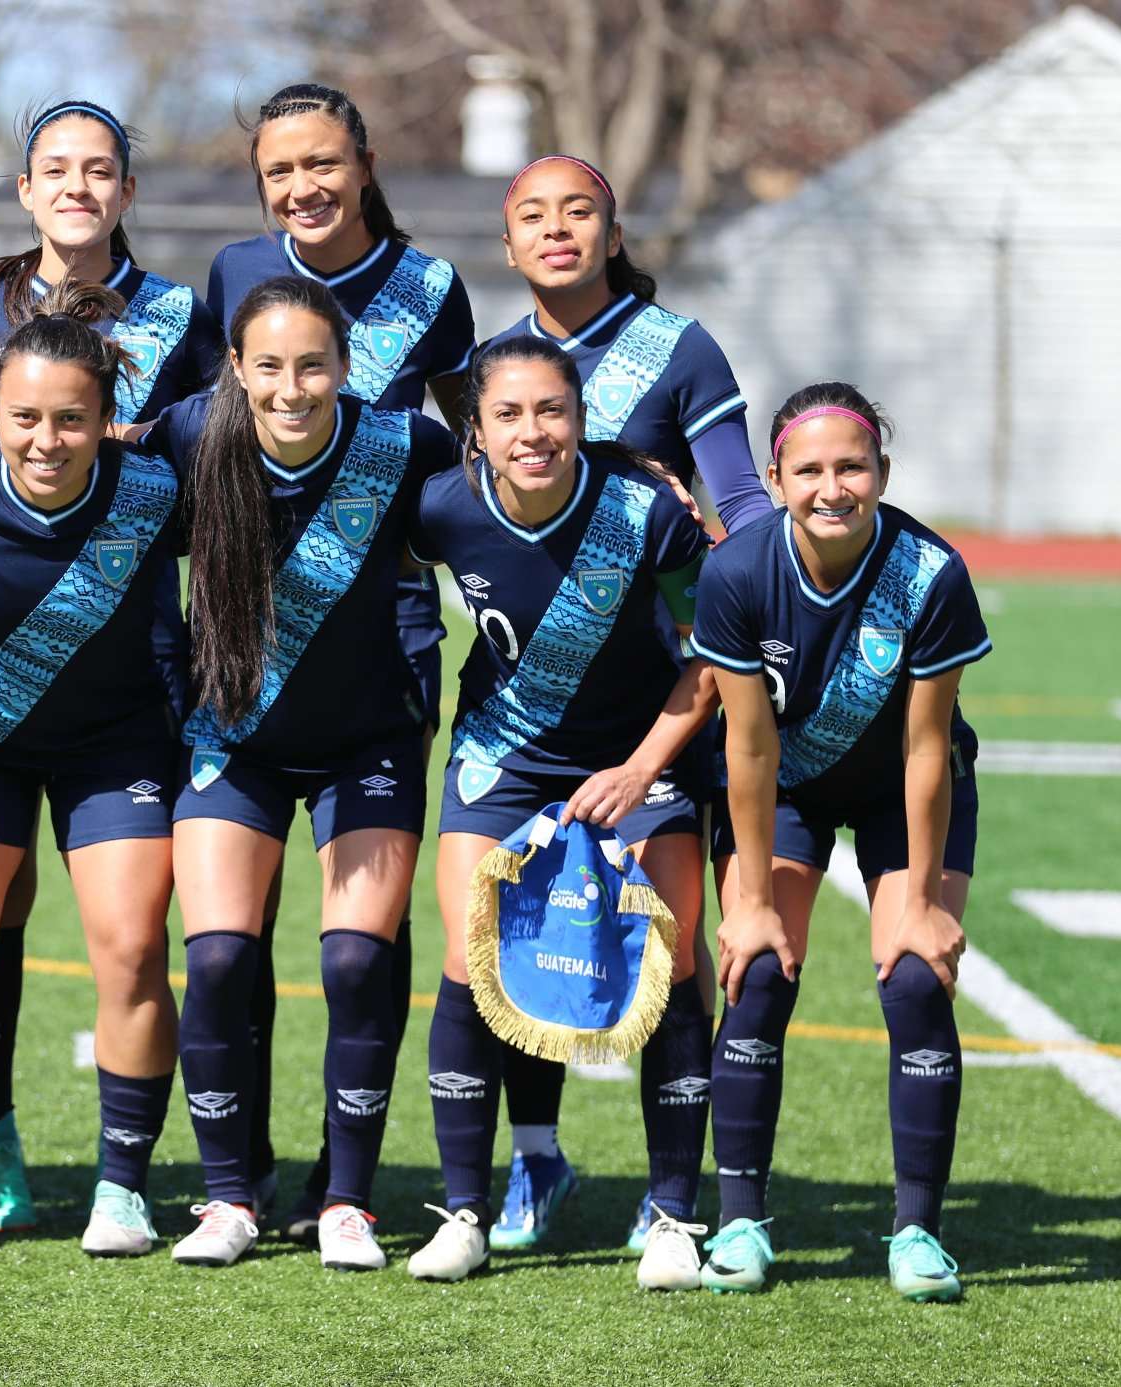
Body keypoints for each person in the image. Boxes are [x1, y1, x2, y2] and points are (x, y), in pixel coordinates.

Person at [0, 95, 222, 1233]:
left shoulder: (180, 325)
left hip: (121, 705)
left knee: (132, 944)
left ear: (127, 191)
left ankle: (123, 1184)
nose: (78, 186)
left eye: (99, 169)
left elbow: (230, 464)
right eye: (56, 167)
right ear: (25, 187)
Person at [475, 153, 777, 1252]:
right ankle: (534, 1160)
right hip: (529, 710)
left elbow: (742, 505)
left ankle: (670, 1199)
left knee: (667, 950)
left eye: (581, 211)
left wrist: (748, 580)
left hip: (659, 707)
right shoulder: (492, 366)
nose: (558, 229)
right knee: (516, 936)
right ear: (508, 240)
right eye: (534, 214)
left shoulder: (677, 348)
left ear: (613, 231)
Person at [204, 81, 476, 1234]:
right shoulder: (232, 274)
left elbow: (469, 441)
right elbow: (196, 434)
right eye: (280, 170)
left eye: (322, 163)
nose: (302, 187)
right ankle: (241, 1173)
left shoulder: (429, 287)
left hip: (379, 635)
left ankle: (344, 1177)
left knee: (360, 947)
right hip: (249, 645)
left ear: (364, 165)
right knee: (229, 944)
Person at [403, 336, 718, 1288]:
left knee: (670, 960)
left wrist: (640, 768)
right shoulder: (443, 507)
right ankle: (466, 1210)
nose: (532, 432)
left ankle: (673, 1214)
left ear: (581, 418)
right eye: (508, 414)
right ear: (476, 428)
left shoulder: (646, 512)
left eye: (552, 410)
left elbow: (711, 659)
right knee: (474, 955)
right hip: (504, 754)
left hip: (641, 758)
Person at [156, 275, 448, 1271]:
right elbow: (85, 472)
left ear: (345, 367)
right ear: (236, 368)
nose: (292, 387)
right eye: (270, 365)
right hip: (233, 739)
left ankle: (346, 1201)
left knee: (357, 962)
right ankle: (228, 1197)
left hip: (366, 741)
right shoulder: (189, 436)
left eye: (313, 365)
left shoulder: (403, 445)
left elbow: (505, 499)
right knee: (217, 960)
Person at [0, 282, 181, 1257]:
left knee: (132, 949)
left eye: (70, 420)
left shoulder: (154, 486)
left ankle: (123, 1190)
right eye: (23, 418)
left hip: (116, 746)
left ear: (108, 420)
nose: (46, 440)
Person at [690, 383, 988, 1301]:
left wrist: (924, 901)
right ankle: (741, 1220)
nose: (832, 487)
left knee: (915, 976)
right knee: (756, 969)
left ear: (882, 474)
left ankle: (918, 1232)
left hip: (906, 789)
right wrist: (748, 904)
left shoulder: (930, 572)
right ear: (775, 478)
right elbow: (748, 746)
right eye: (810, 469)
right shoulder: (739, 572)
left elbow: (927, 748)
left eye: (852, 467)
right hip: (784, 788)